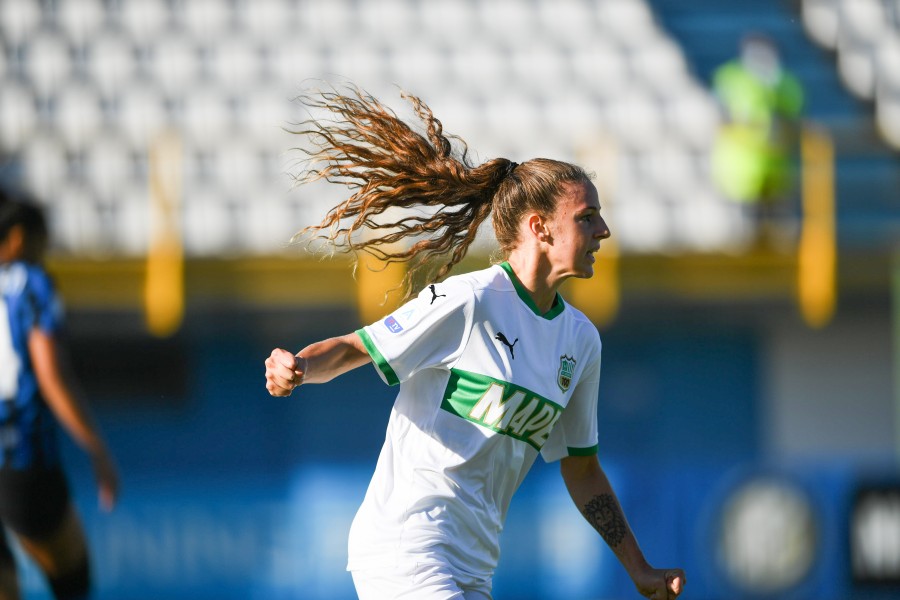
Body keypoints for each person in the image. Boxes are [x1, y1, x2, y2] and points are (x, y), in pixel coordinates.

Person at [264, 85, 685, 599]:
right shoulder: (470, 301)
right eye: (586, 217)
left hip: (473, 566)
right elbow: (358, 346)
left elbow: (583, 468)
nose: (605, 230)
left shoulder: (581, 341)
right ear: (540, 228)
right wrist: (300, 366)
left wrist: (638, 569)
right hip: (407, 546)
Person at [0, 194, 119, 600]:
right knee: (73, 583)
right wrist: (96, 448)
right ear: (17, 238)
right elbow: (50, 374)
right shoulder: (30, 283)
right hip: (20, 459)